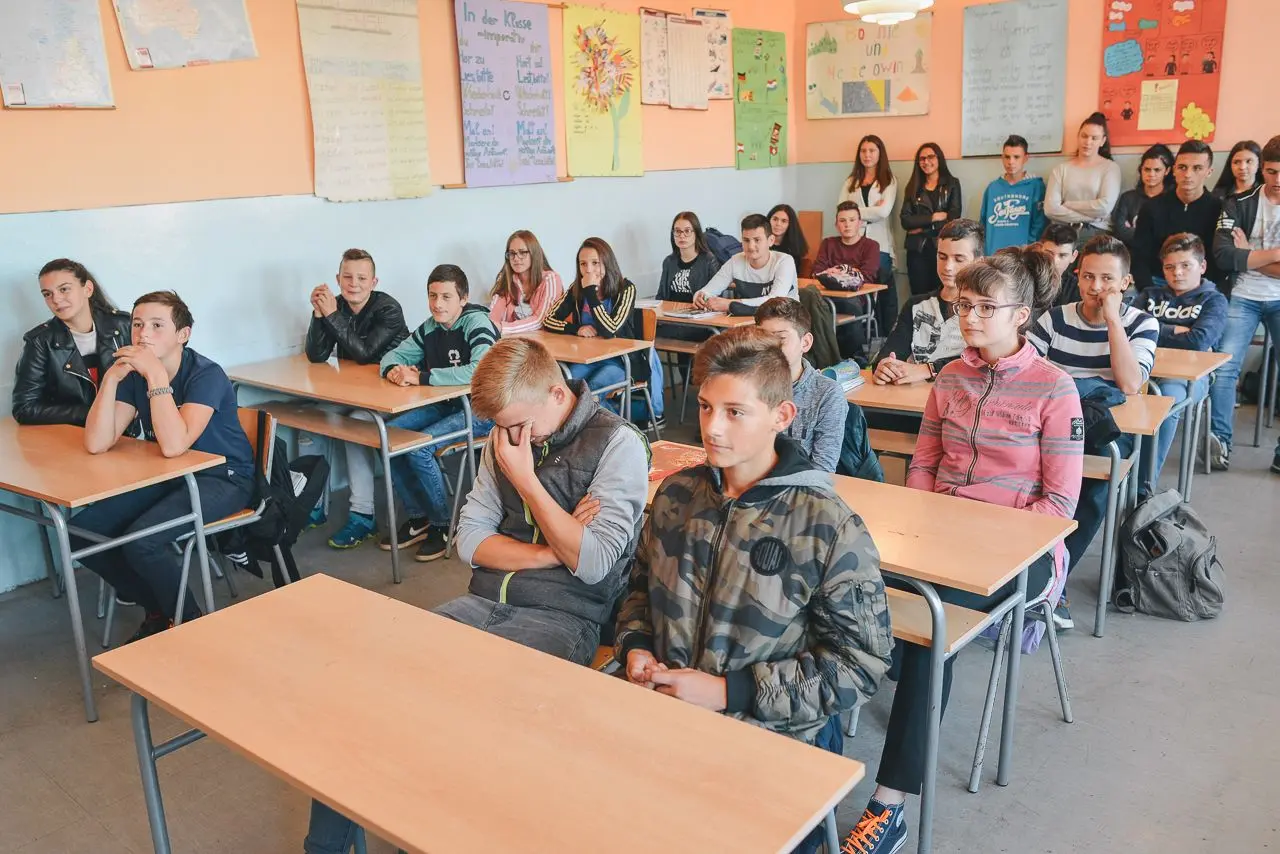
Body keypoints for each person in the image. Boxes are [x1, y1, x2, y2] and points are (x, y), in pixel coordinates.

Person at [304, 336, 650, 854]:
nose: (511, 439)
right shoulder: (505, 436)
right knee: (364, 692)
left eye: (520, 425)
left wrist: (527, 482)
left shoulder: (618, 444)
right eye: (502, 428)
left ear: (557, 395)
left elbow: (595, 563)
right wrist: (553, 551)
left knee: (460, 724)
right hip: (481, 600)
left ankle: (424, 835)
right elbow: (469, 541)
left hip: (561, 616)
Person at [615, 326, 891, 854]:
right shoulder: (676, 495)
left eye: (735, 412)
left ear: (782, 416)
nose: (712, 427)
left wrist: (727, 693)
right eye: (704, 407)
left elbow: (860, 664)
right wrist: (637, 647)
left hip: (774, 739)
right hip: (665, 719)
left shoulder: (826, 524)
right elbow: (639, 589)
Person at [844, 248, 1082, 854]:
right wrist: (931, 526)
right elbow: (923, 465)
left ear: (1021, 315)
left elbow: (1059, 506)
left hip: (1018, 554)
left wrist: (979, 540)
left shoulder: (1055, 388)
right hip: (940, 539)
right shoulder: (950, 376)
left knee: (929, 630)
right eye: (964, 305)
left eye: (984, 307)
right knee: (844, 585)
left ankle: (890, 805)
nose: (969, 317)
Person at [74, 291, 255, 641]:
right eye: (137, 324)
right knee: (82, 532)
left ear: (182, 335)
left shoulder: (206, 374)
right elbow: (97, 442)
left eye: (157, 325)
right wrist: (110, 380)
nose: (143, 334)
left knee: (142, 542)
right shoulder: (135, 376)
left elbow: (174, 445)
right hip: (171, 476)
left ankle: (187, 621)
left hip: (224, 478)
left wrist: (156, 376)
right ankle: (160, 609)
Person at [1028, 237, 1159, 628]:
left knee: (1093, 490)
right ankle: (1022, 576)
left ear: (1125, 283)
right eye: (1088, 277)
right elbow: (1025, 371)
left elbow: (1130, 383)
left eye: (1107, 279)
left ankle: (1051, 585)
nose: (1096, 287)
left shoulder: (1142, 323)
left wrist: (1113, 320)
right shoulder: (1054, 319)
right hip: (1048, 425)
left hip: (1105, 433)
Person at [378, 264, 498, 562]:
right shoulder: (431, 327)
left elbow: (479, 371)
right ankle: (419, 517)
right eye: (432, 296)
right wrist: (393, 370)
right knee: (389, 437)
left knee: (418, 448)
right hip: (446, 404)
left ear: (463, 299)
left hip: (481, 410)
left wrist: (421, 377)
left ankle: (445, 524)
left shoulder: (477, 322)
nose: (437, 304)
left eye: (446, 297)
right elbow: (393, 355)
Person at [303, 248, 410, 548]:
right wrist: (318, 314)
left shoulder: (388, 309)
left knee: (356, 425)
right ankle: (311, 504)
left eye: (362, 278)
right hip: (355, 391)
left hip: (394, 395)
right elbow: (316, 355)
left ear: (374, 282)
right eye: (348, 277)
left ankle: (363, 515)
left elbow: (364, 354)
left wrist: (331, 315)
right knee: (311, 418)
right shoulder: (335, 306)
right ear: (338, 279)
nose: (354, 284)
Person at [1209, 136, 1280, 473]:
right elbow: (1224, 256)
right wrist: (1274, 255)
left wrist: (1249, 253)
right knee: (1224, 368)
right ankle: (1219, 442)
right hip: (1243, 295)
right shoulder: (1238, 203)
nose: (1278, 180)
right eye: (1272, 172)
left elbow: (1237, 255)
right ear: (1262, 169)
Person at [1137, 233, 1228, 485]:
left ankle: (1144, 485)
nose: (1177, 273)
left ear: (1202, 266)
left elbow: (1199, 340)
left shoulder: (1214, 300)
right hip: (1144, 370)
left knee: (1166, 399)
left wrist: (1154, 329)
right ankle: (1118, 477)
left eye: (1185, 265)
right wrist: (1173, 330)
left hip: (1190, 377)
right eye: (1169, 267)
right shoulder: (1149, 295)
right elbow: (1129, 330)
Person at [13, 259, 133, 426]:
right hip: (73, 435)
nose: (56, 299)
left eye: (64, 289)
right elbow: (24, 408)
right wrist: (96, 413)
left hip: (127, 433)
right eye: (47, 294)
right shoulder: (40, 341)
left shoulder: (125, 325)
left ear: (88, 289)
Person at [874, 219, 984, 385]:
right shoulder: (915, 306)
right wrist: (884, 366)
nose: (948, 267)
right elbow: (891, 352)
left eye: (959, 259)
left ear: (978, 262)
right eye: (942, 257)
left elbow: (984, 361)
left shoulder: (986, 310)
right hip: (914, 397)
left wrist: (928, 369)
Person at [544, 236, 648, 397]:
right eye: (583, 264)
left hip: (620, 361)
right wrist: (576, 329)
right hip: (588, 358)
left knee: (592, 390)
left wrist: (590, 292)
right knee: (568, 386)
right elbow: (549, 319)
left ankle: (606, 414)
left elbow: (610, 330)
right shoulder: (576, 288)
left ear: (607, 263)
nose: (589, 270)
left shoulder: (625, 288)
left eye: (595, 263)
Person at [754, 298, 848, 472]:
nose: (770, 348)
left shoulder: (827, 393)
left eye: (781, 339)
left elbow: (823, 468)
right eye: (764, 339)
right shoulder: (748, 385)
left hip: (801, 484)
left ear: (805, 343)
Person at [1131, 140, 1222, 290]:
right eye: (1182, 167)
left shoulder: (1219, 209)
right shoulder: (1152, 207)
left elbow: (1218, 260)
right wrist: (1148, 291)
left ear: (1209, 172)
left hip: (1201, 285)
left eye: (1197, 168)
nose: (1188, 174)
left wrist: (1202, 291)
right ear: (1173, 170)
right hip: (1158, 282)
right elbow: (1139, 257)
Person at [839, 134, 900, 334]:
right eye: (863, 151)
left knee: (882, 291)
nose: (867, 155)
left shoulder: (888, 180)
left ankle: (884, 335)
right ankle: (864, 334)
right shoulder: (851, 181)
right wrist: (870, 211)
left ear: (880, 153)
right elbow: (841, 211)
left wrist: (855, 213)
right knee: (858, 291)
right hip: (853, 244)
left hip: (880, 244)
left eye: (872, 150)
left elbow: (883, 211)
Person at [694, 213, 799, 314]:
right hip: (749, 320)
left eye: (757, 240)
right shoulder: (735, 261)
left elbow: (775, 301)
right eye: (746, 240)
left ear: (771, 240)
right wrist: (700, 297)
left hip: (786, 320)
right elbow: (707, 291)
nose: (751, 246)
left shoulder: (784, 261)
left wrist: (731, 304)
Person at [813, 201, 880, 358]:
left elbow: (867, 275)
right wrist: (849, 272)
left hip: (858, 298)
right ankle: (822, 357)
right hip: (827, 296)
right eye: (842, 221)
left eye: (852, 220)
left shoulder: (871, 246)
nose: (847, 224)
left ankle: (856, 358)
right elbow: (817, 272)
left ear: (860, 223)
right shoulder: (828, 243)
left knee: (849, 305)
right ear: (836, 225)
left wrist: (837, 271)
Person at [1044, 112, 1122, 242]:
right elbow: (1050, 209)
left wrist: (1069, 204)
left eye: (1094, 138)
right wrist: (1090, 217)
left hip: (1096, 230)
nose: (1088, 142)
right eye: (1084, 136)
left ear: (1102, 141)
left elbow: (1104, 208)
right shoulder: (1061, 169)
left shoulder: (1110, 168)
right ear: (1078, 136)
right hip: (1063, 230)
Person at [900, 142, 962, 296]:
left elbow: (954, 217)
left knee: (943, 293)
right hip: (917, 250)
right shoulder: (913, 187)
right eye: (922, 159)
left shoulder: (952, 184)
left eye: (930, 157)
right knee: (919, 295)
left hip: (942, 248)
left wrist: (921, 227)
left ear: (939, 158)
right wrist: (934, 217)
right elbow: (906, 221)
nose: (926, 162)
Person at [656, 211, 721, 343]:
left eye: (687, 231)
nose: (682, 236)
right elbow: (661, 296)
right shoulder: (669, 261)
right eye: (677, 231)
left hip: (698, 320)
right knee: (644, 329)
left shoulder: (708, 260)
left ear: (696, 233)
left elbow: (715, 297)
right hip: (672, 318)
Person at [487, 230, 564, 335]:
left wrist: (503, 327)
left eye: (522, 252)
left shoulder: (551, 279)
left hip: (543, 341)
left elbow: (541, 321)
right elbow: (493, 316)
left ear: (534, 253)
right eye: (512, 253)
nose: (516, 258)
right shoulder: (507, 279)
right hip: (513, 340)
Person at [980, 134, 1046, 254]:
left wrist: (1029, 248)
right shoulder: (992, 188)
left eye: (1016, 157)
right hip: (994, 254)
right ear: (1002, 157)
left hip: (1023, 255)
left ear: (1025, 158)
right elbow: (983, 224)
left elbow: (1039, 223)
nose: (1011, 162)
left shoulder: (1036, 186)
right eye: (1007, 157)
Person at [1111, 143, 1175, 247]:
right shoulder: (1127, 198)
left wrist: (1135, 230)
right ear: (1141, 169)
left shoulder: (1173, 199)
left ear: (1167, 171)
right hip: (1132, 252)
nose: (1151, 174)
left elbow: (1171, 236)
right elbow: (1120, 233)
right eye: (1147, 169)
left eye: (1157, 170)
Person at [1040, 223, 1082, 306]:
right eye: (1049, 254)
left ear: (1073, 256)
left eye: (1062, 255)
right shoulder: (1023, 278)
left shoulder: (1078, 289)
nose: (1054, 261)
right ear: (1039, 249)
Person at [767, 203, 810, 274]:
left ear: (790, 224)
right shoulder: (760, 243)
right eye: (775, 219)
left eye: (784, 221)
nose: (778, 224)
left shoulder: (794, 249)